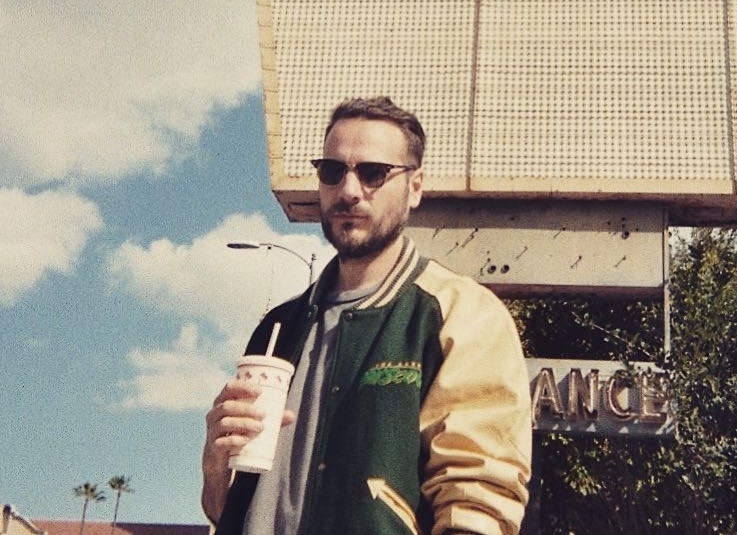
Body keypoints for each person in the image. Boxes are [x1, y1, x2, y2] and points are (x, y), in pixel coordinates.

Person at [203, 96, 532, 535]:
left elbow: (478, 501)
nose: (349, 190)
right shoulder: (278, 326)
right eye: (332, 170)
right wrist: (215, 466)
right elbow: (228, 509)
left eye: (373, 173)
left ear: (415, 186)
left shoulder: (461, 314)